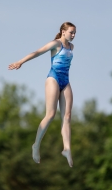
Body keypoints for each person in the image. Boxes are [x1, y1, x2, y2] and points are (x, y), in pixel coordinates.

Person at [8, 22, 76, 167]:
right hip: (54, 79)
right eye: (71, 32)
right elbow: (37, 52)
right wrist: (20, 62)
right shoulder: (55, 44)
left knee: (67, 116)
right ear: (63, 32)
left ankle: (67, 148)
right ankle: (36, 145)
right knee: (50, 114)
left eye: (75, 33)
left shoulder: (72, 47)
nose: (73, 35)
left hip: (66, 81)